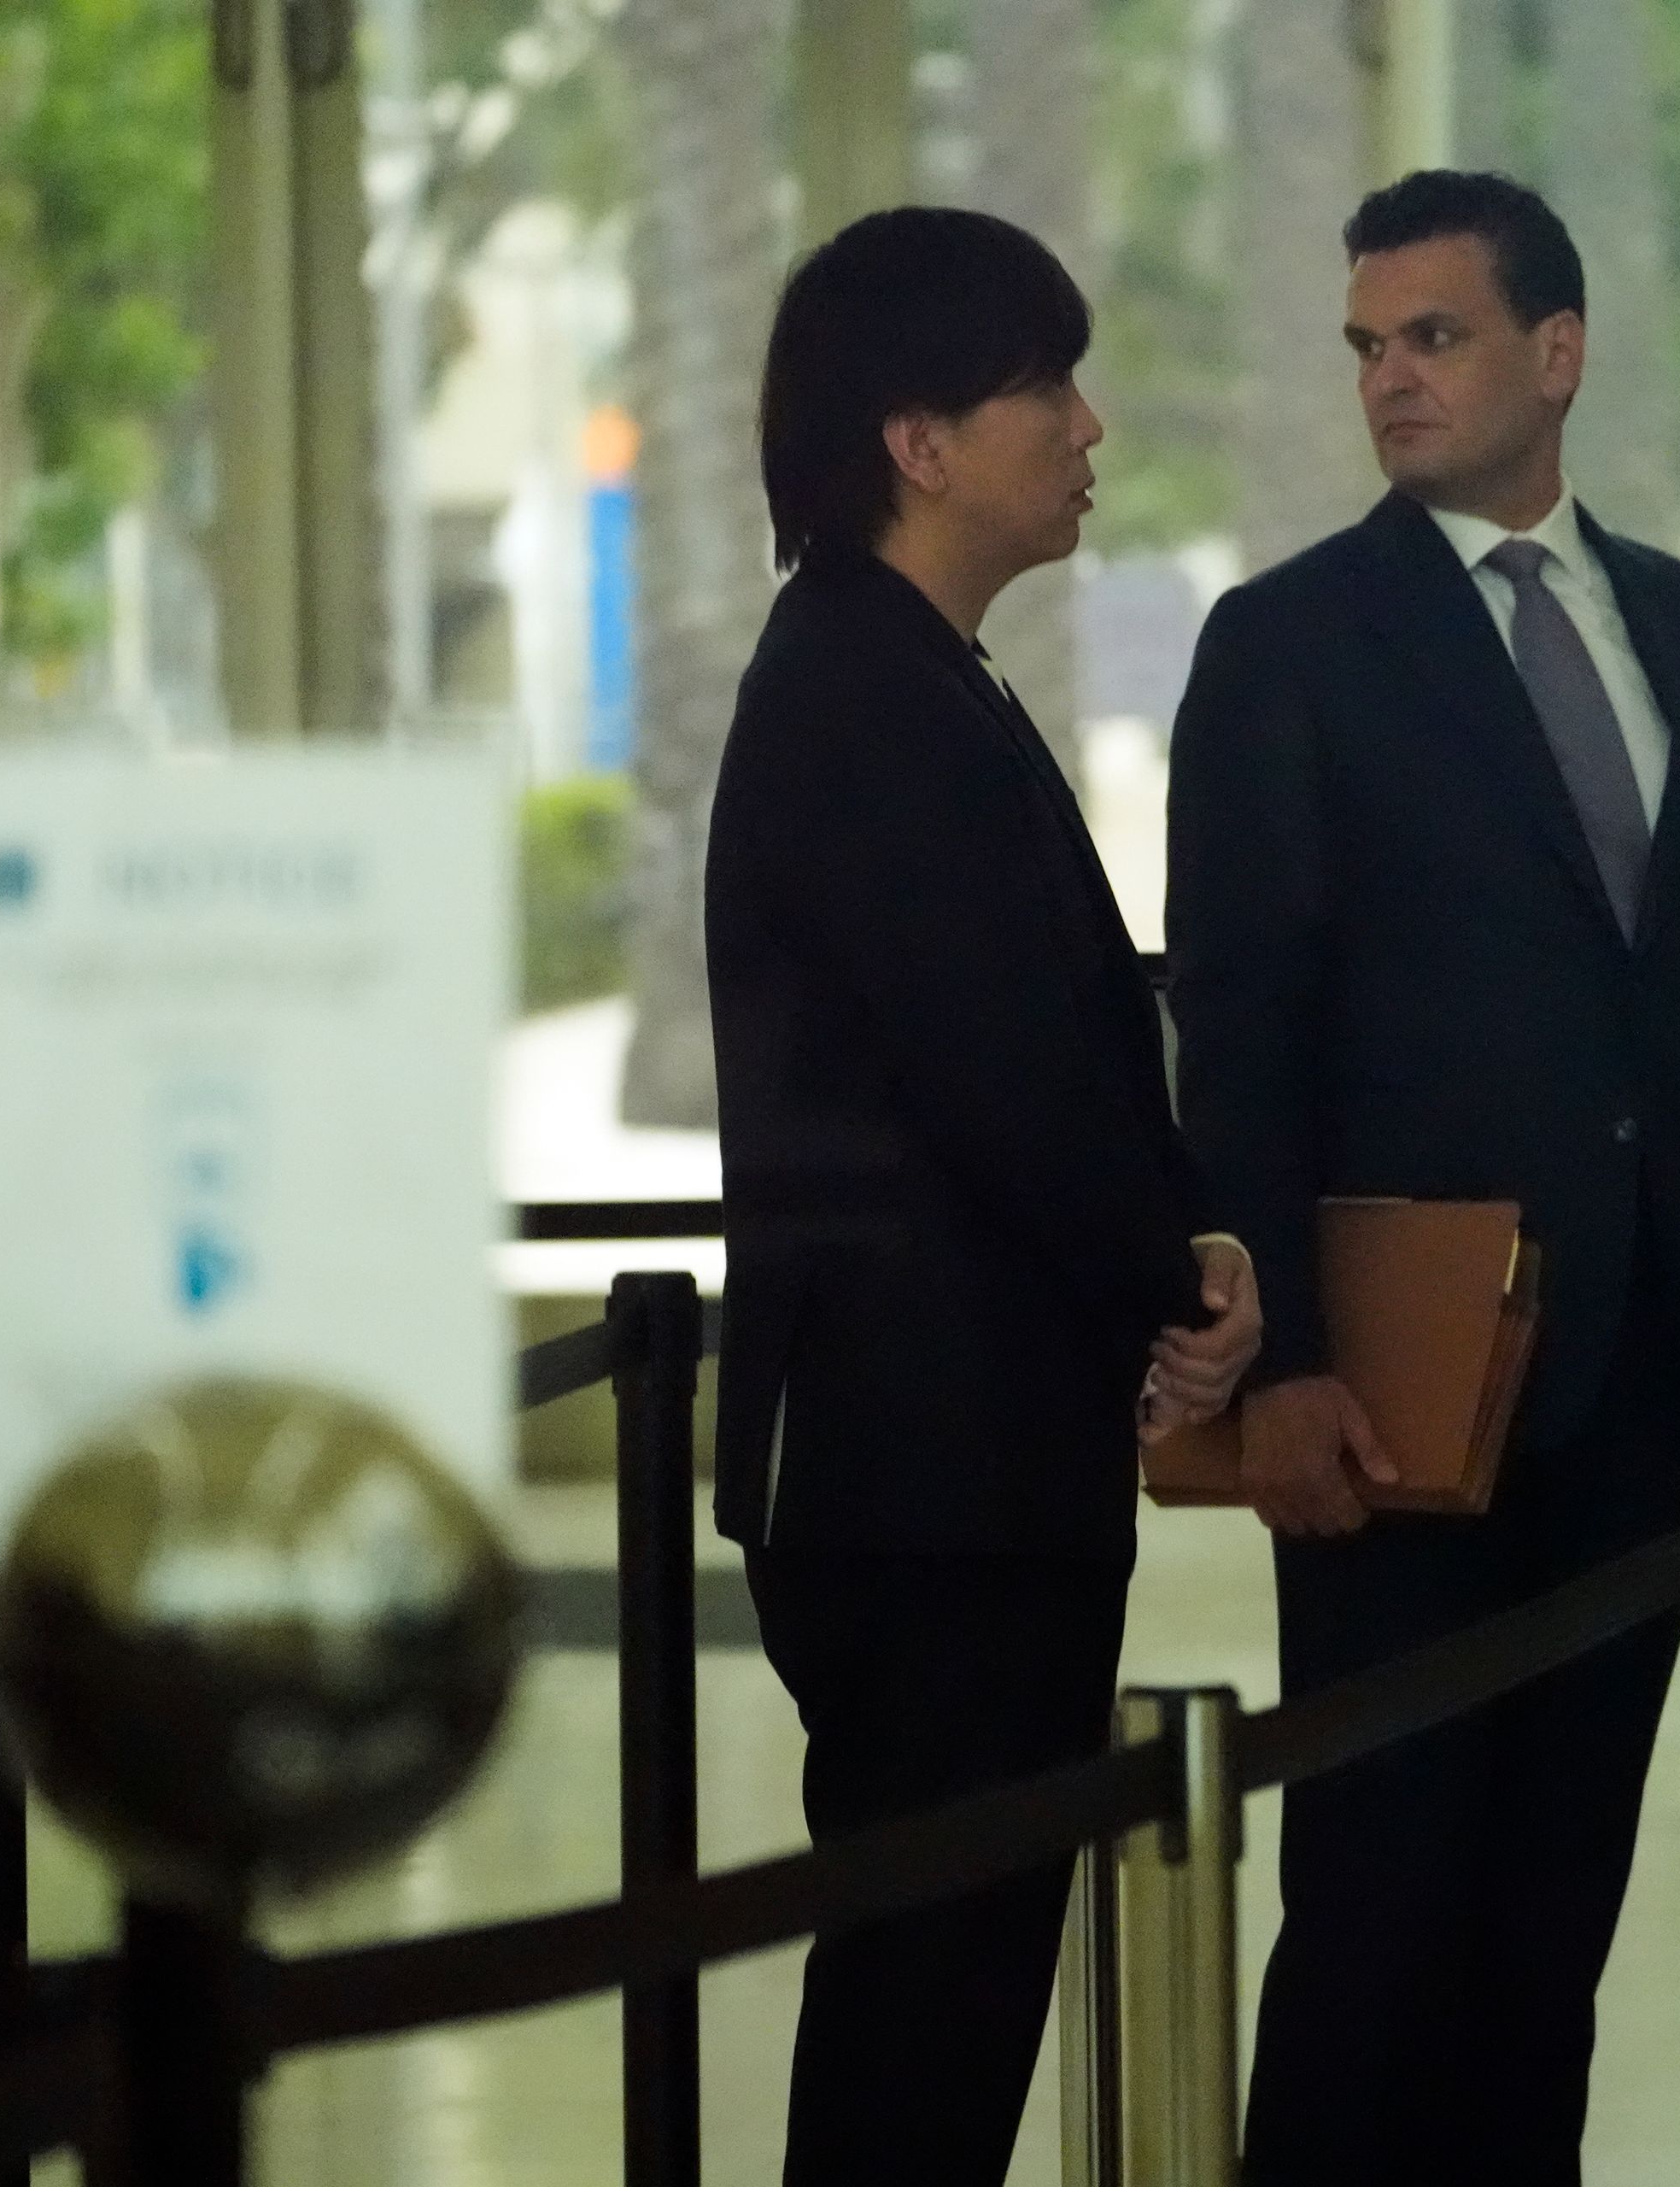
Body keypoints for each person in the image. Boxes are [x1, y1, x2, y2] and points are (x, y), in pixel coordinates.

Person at [1166, 169, 1680, 2184]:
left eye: (1432, 336)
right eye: (1367, 345)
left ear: (1559, 352)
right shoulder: (1287, 645)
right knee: (1376, 1929)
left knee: (1551, 1943)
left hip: (1642, 1385)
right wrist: (1273, 1363)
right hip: (1395, 1401)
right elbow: (1242, 1029)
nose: (1390, 379)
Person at [704, 207, 1261, 2186]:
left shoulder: (920, 679)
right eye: (1044, 384)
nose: (1090, 424)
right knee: (922, 2015)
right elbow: (1002, 1067)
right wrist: (1181, 1270)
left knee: (945, 2002)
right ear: (917, 438)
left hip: (965, 1462)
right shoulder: (867, 696)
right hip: (923, 1479)